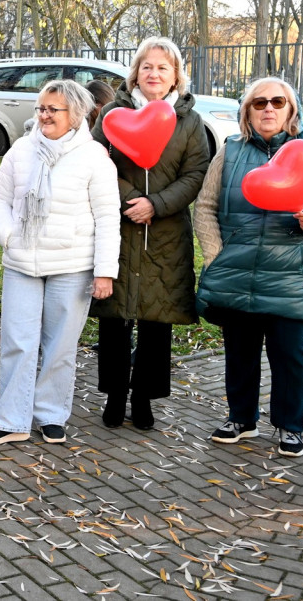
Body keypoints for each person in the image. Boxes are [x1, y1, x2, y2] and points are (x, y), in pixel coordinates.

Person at [195, 78, 303, 457]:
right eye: (259, 102)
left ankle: (290, 426)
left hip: (289, 273)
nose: (268, 108)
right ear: (247, 111)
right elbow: (205, 206)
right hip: (238, 270)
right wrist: (216, 256)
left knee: (290, 356)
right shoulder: (230, 150)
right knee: (240, 352)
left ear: (291, 109)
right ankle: (241, 418)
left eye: (278, 102)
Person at [0, 80, 120, 445]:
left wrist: (105, 271)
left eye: (53, 109)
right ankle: (12, 420)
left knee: (60, 347)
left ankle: (51, 414)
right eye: (41, 108)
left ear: (76, 114)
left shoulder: (93, 156)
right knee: (17, 343)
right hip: (22, 262)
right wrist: (8, 235)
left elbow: (108, 216)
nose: (43, 115)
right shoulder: (22, 149)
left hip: (72, 265)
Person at [90, 37, 210, 431]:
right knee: (115, 318)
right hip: (119, 228)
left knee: (157, 321)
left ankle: (143, 397)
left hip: (167, 233)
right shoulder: (113, 114)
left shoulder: (190, 121)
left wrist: (156, 204)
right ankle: (114, 395)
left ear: (176, 76)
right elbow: (96, 162)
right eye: (147, 66)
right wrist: (131, 201)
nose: (154, 73)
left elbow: (196, 173)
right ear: (136, 73)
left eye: (162, 67)